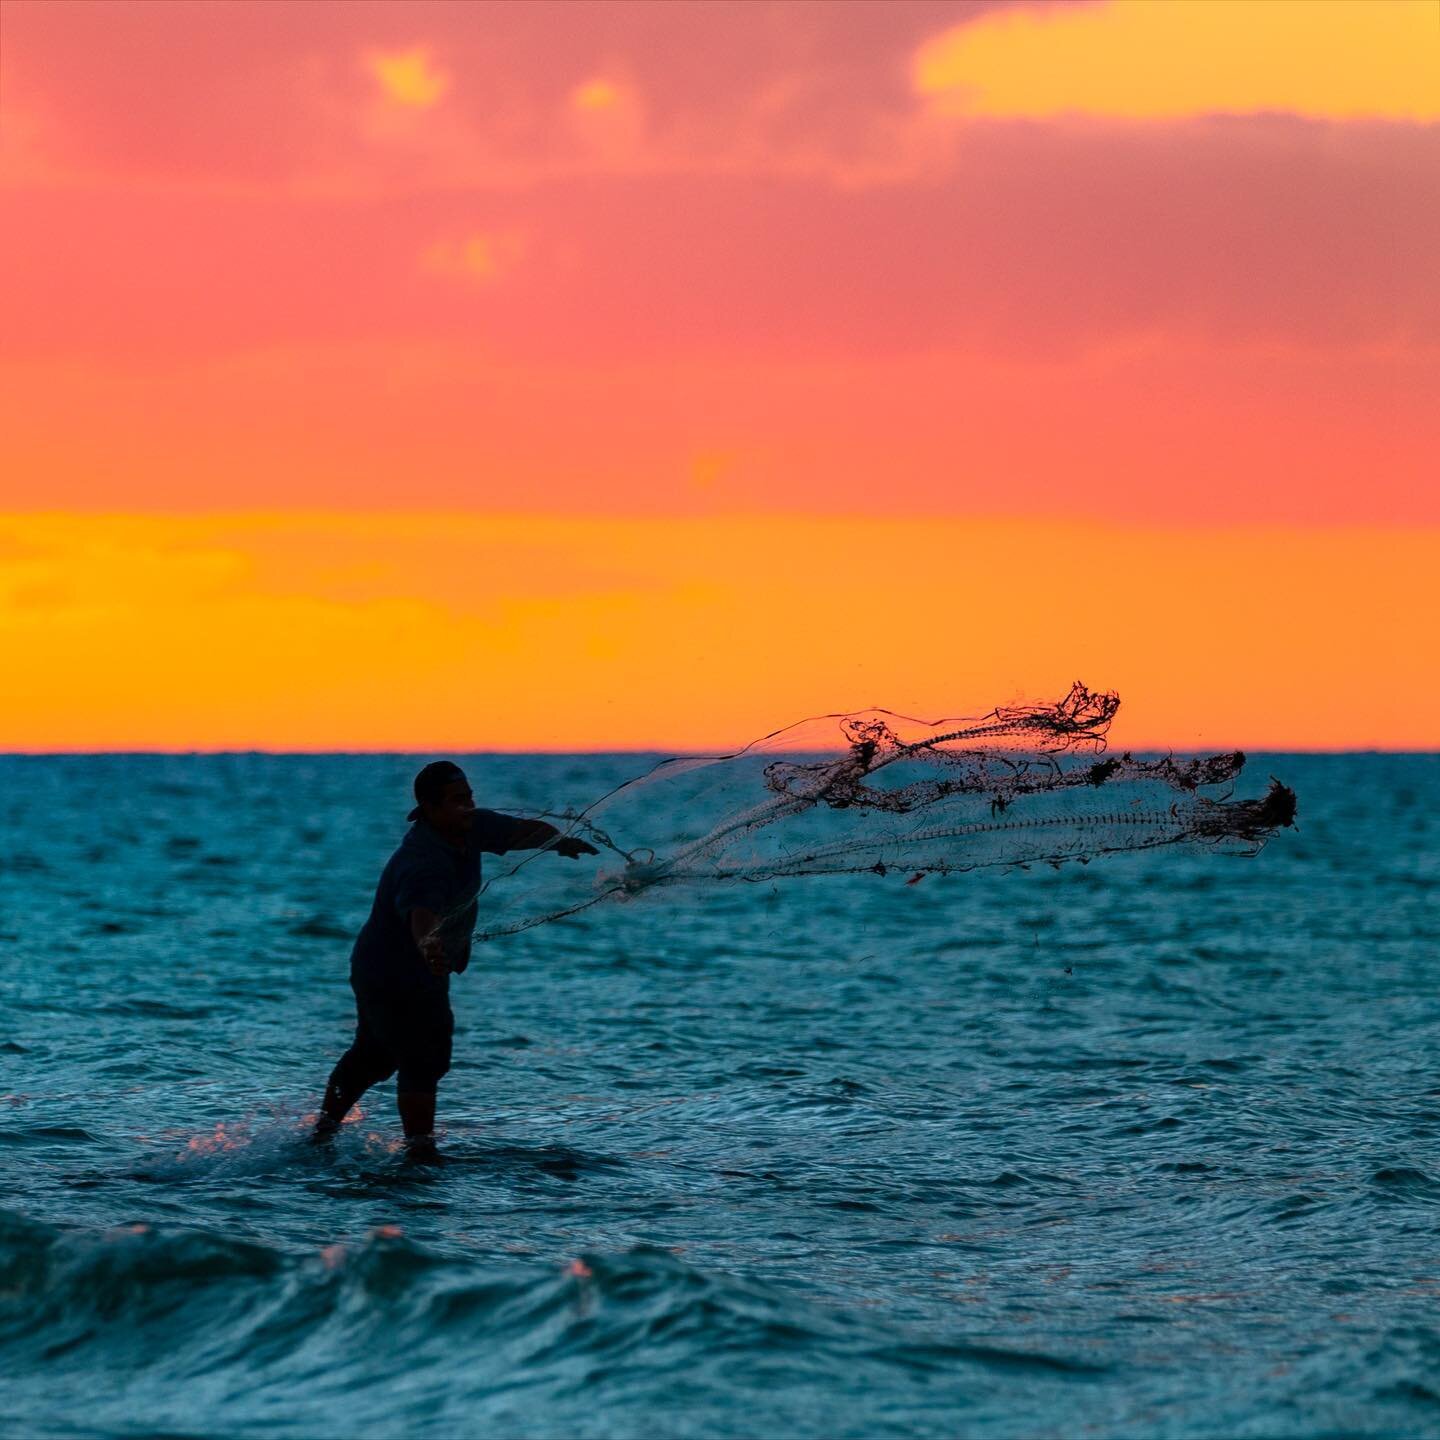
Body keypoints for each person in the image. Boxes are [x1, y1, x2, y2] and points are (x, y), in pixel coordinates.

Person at [312, 760, 597, 1154]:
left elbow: (520, 832)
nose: (468, 805)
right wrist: (431, 949)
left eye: (469, 797)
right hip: (395, 970)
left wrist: (559, 841)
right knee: (423, 1055)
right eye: (457, 800)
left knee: (374, 1054)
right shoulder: (424, 860)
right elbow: (421, 917)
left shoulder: (469, 825)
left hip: (398, 965)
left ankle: (321, 1136)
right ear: (429, 809)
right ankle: (419, 1151)